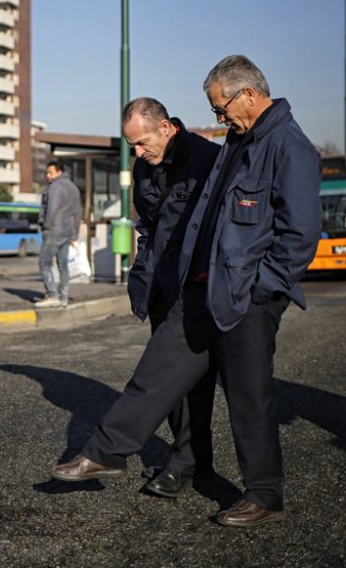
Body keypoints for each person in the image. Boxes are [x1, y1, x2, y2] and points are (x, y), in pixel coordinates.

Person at [50, 55, 322, 529]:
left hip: (246, 296)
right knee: (155, 372)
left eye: (221, 108)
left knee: (247, 397)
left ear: (250, 95)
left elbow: (300, 236)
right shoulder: (238, 141)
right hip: (201, 289)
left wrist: (263, 288)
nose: (219, 118)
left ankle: (264, 494)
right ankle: (105, 453)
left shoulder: (289, 147)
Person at [122, 97, 221, 497]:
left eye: (142, 142)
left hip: (201, 286)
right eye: (131, 146)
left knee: (196, 381)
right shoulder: (142, 167)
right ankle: (192, 463)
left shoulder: (208, 158)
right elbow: (146, 225)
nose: (138, 153)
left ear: (166, 126)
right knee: (173, 383)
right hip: (163, 286)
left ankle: (190, 463)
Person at [35, 160, 82, 308]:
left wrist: (46, 227)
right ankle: (63, 297)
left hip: (54, 230)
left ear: (59, 172)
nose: (48, 176)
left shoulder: (55, 186)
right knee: (63, 266)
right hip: (67, 232)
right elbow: (77, 213)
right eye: (47, 173)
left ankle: (52, 295)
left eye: (51, 172)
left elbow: (51, 209)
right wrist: (74, 234)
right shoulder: (74, 188)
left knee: (44, 262)